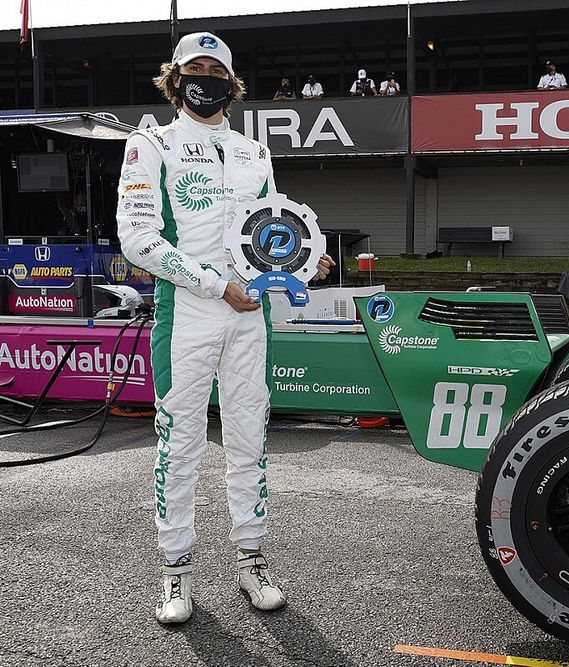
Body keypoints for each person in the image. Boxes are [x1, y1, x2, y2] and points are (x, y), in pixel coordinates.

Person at [116, 31, 333, 625]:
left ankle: (251, 559)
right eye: (195, 68)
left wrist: (303, 259)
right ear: (176, 78)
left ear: (231, 83)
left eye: (215, 69)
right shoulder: (151, 143)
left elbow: (268, 229)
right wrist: (214, 284)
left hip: (249, 319)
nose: (204, 78)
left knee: (248, 442)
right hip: (186, 315)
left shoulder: (253, 152)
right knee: (178, 445)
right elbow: (136, 240)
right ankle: (176, 571)